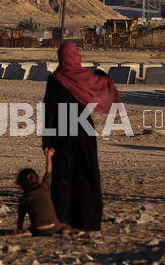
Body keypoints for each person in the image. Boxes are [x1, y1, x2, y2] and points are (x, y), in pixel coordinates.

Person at [41, 41, 122, 231]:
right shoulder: (87, 78)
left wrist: (47, 140)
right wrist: (101, 74)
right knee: (87, 175)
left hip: (62, 133)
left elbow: (49, 113)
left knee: (62, 179)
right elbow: (104, 82)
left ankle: (63, 222)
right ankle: (88, 222)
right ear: (76, 56)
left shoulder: (55, 79)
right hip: (84, 131)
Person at [13, 148, 80, 236]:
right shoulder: (44, 187)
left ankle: (27, 232)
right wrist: (49, 156)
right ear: (36, 178)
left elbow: (20, 217)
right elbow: (48, 172)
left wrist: (19, 229)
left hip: (37, 230)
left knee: (30, 229)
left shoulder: (24, 199)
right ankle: (67, 231)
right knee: (66, 225)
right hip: (53, 227)